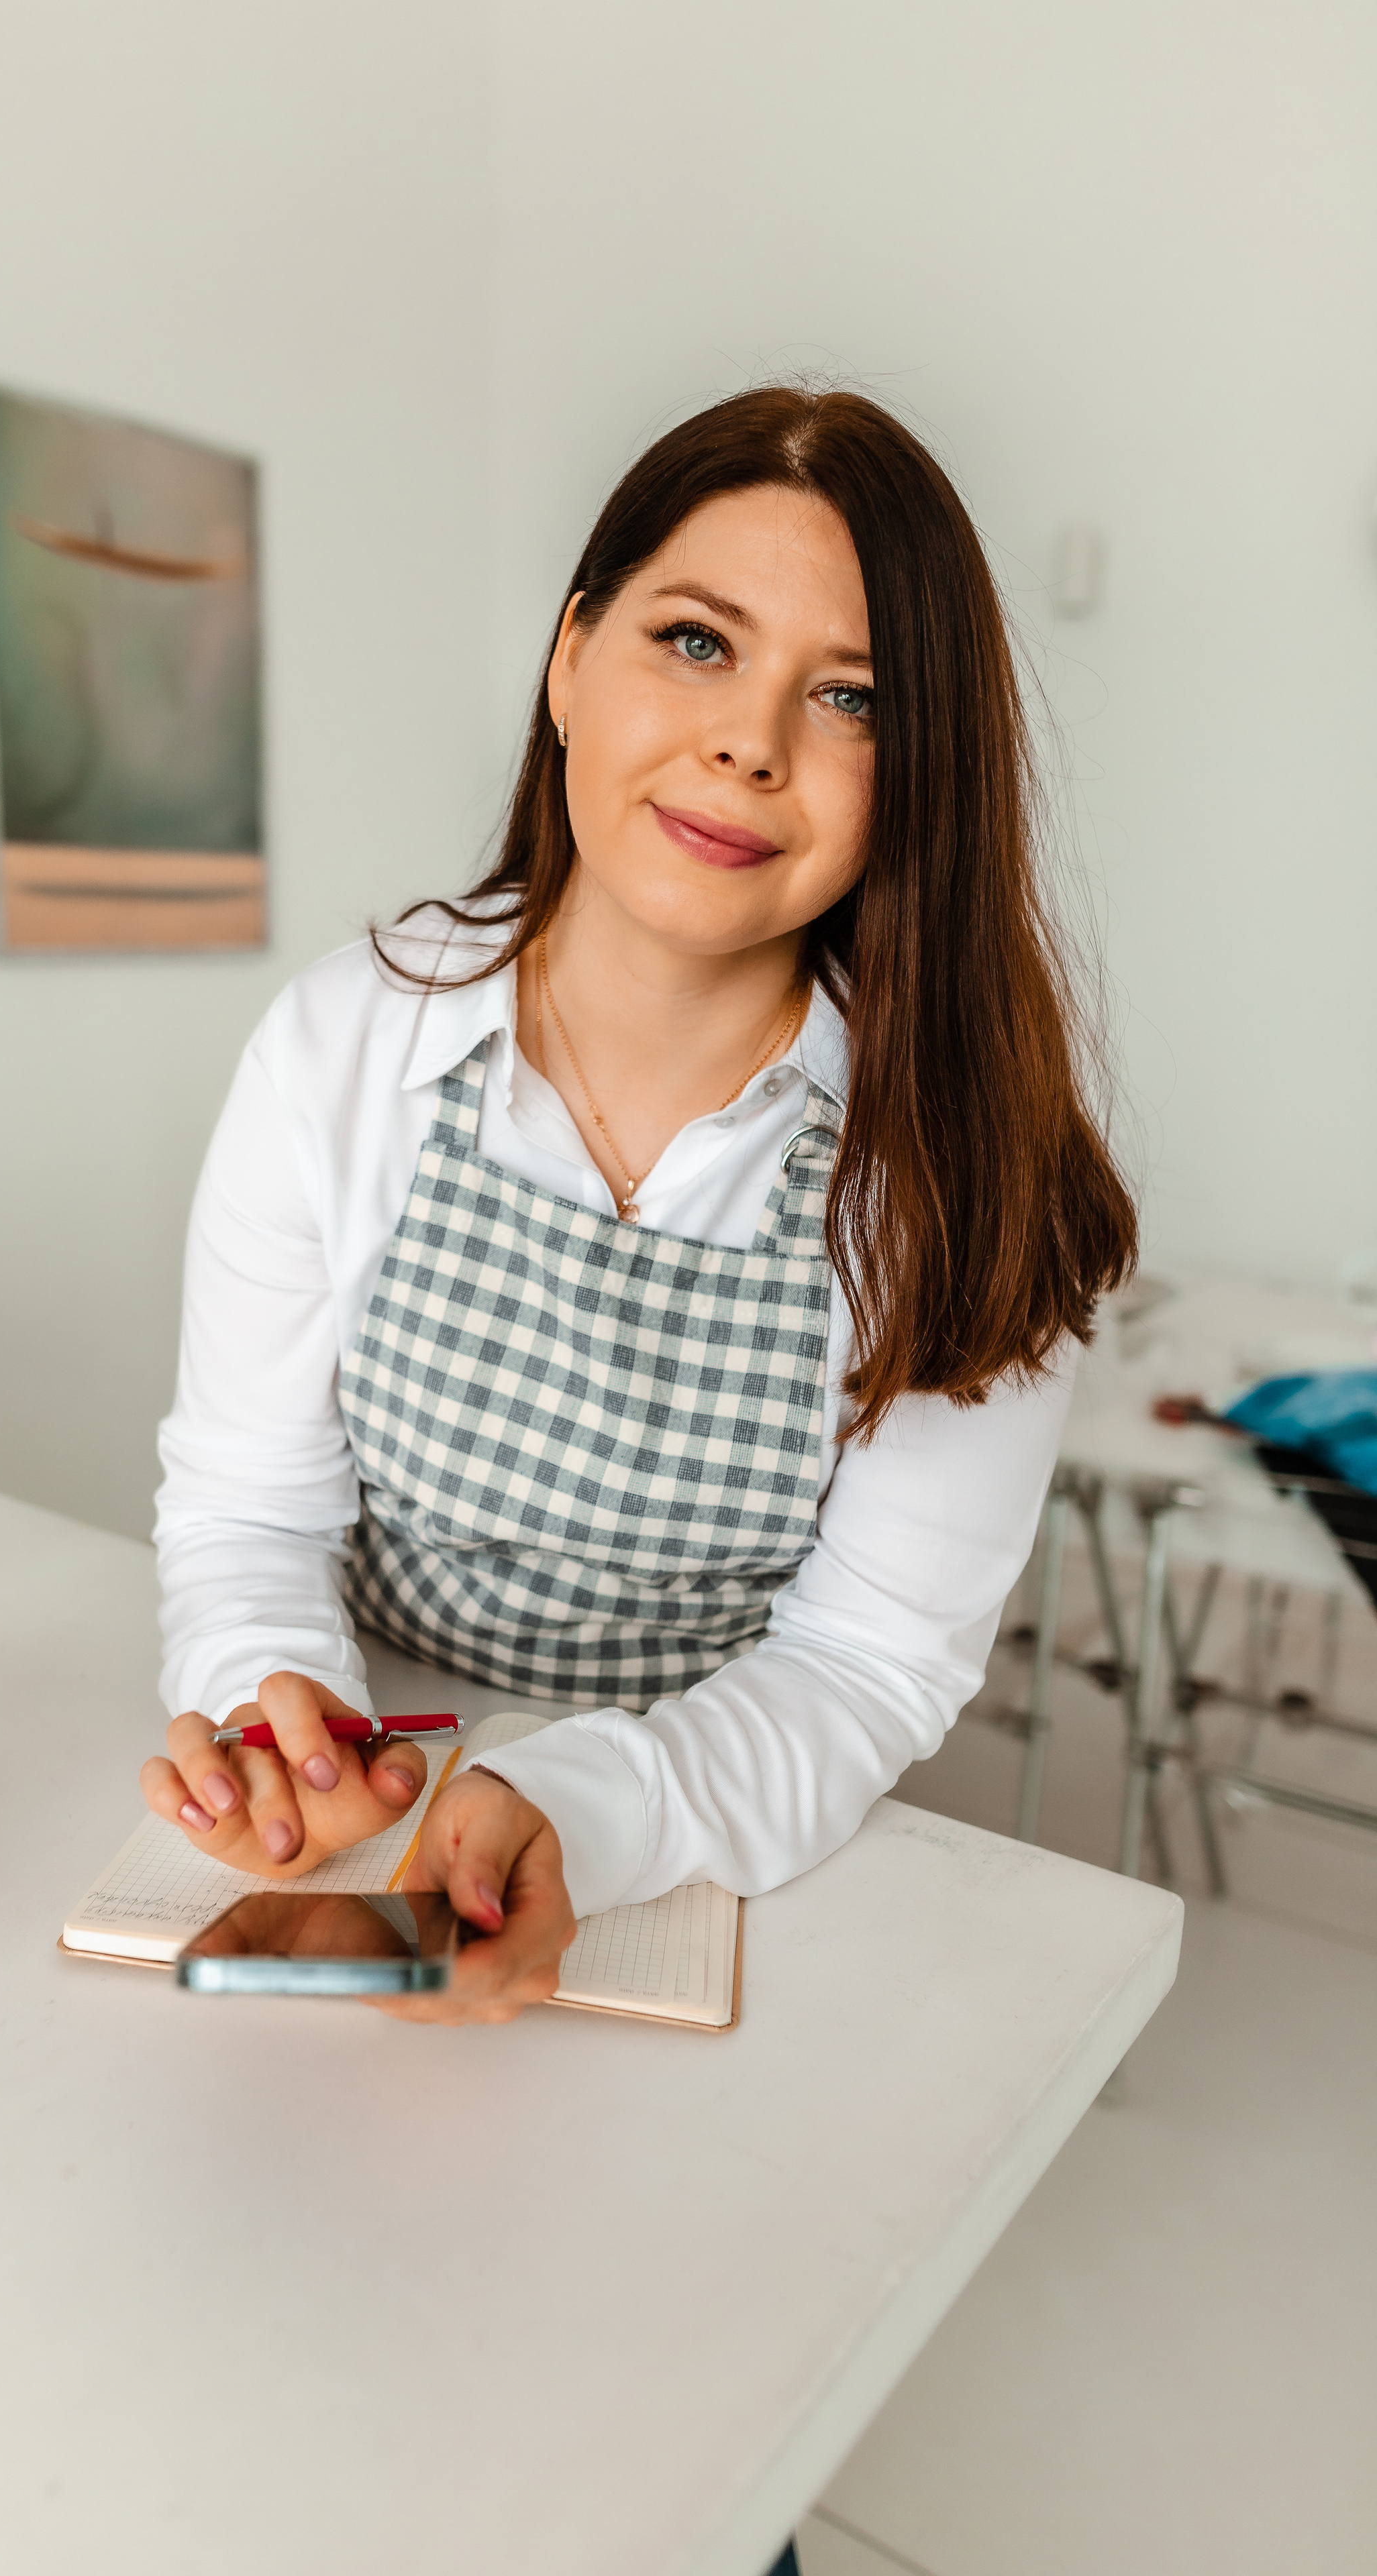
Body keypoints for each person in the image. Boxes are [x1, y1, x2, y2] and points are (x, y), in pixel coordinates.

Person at [140, 383, 1137, 2041]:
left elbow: (869, 1668)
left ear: (923, 778)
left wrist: (587, 1816)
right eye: (695, 642)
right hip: (375, 1805)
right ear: (567, 658)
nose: (751, 740)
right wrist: (280, 1720)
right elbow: (247, 1511)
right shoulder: (341, 1045)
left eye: (852, 698)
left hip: (722, 1845)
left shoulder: (967, 1180)